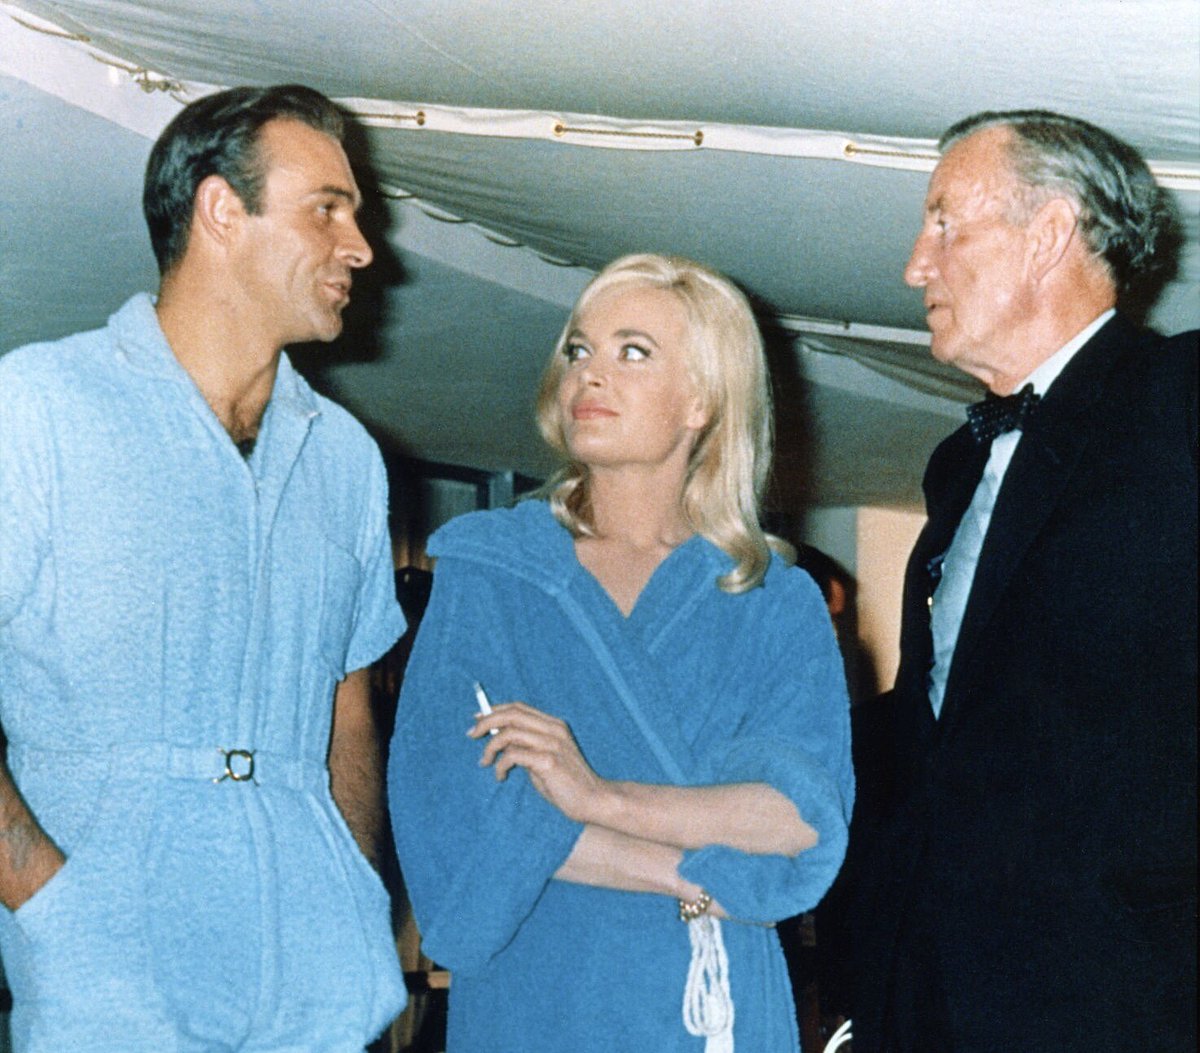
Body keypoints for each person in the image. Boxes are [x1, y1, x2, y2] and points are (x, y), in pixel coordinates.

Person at [0, 85, 407, 1052]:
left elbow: (348, 707)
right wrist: (54, 906)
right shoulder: (38, 407)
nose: (361, 247)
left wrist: (346, 891)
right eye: (328, 208)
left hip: (313, 979)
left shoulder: (345, 456)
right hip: (108, 973)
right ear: (223, 211)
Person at [388, 253, 854, 1051]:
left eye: (632, 351)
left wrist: (592, 793)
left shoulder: (773, 596)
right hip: (539, 991)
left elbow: (797, 821)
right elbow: (454, 822)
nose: (588, 375)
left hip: (715, 1007)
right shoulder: (492, 570)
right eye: (578, 349)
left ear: (702, 399)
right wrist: (695, 874)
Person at [852, 110, 1197, 1050]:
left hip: (1120, 995)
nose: (915, 266)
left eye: (943, 223)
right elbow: (943, 734)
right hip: (931, 991)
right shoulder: (957, 466)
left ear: (1049, 235)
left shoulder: (1181, 402)